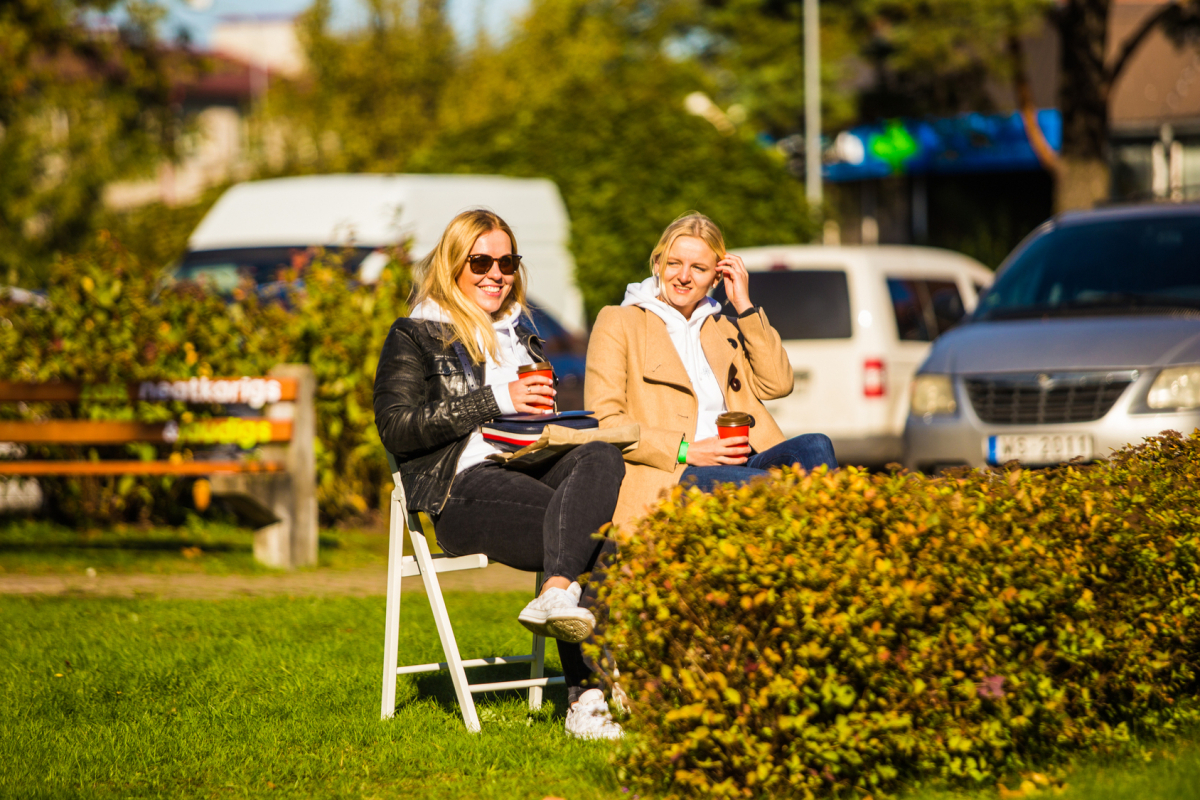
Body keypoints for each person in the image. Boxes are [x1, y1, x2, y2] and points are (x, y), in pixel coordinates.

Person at [373, 209, 625, 740]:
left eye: (506, 261)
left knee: (602, 456)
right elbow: (396, 428)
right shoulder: (416, 333)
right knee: (597, 535)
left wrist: (548, 419)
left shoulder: (521, 331)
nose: (496, 273)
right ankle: (589, 697)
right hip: (459, 488)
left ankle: (558, 591)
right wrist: (495, 399)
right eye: (480, 261)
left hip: (524, 466)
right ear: (452, 265)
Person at [584, 212, 838, 528]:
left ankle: (832, 554)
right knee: (768, 488)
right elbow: (604, 422)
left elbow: (778, 384)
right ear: (657, 264)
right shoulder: (619, 321)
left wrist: (744, 306)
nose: (683, 276)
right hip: (674, 472)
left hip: (743, 461)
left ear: (716, 278)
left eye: (699, 268)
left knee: (816, 446)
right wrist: (686, 450)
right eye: (674, 263)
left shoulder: (725, 328)